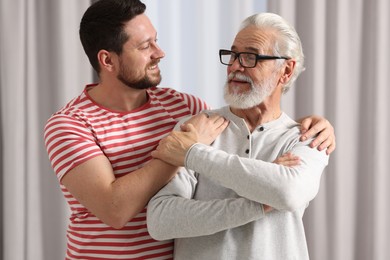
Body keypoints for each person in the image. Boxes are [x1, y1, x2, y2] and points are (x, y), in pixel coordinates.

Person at [43, 0, 335, 259]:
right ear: (107, 60)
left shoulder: (185, 107)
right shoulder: (70, 124)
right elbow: (117, 210)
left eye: (155, 40)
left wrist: (318, 125)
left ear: (286, 70)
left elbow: (251, 135)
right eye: (145, 47)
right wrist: (182, 153)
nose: (160, 52)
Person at [147, 12, 331, 260]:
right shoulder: (197, 128)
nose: (234, 66)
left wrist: (195, 155)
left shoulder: (308, 137)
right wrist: (258, 203)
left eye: (250, 57)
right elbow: (161, 220)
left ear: (286, 71)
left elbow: (288, 192)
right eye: (233, 55)